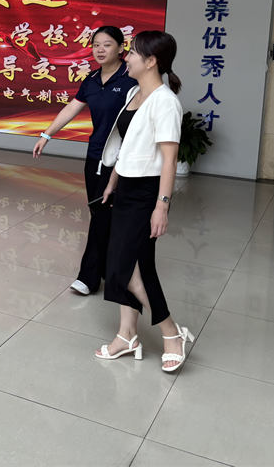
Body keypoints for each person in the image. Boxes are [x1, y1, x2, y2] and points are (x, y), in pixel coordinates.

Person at [95, 30, 193, 372]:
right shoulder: (135, 93)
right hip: (126, 187)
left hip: (147, 192)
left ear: (151, 61)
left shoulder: (165, 102)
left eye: (133, 52)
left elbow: (169, 159)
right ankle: (127, 335)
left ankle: (171, 333)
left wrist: (161, 205)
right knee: (130, 265)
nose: (127, 57)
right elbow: (130, 144)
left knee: (127, 268)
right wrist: (114, 180)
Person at [32, 26, 137, 296]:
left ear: (121, 48)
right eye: (96, 45)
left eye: (107, 44)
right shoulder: (91, 79)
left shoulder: (131, 79)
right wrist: (47, 134)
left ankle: (89, 277)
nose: (100, 50)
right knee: (100, 214)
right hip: (95, 156)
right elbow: (72, 107)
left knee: (103, 216)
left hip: (120, 160)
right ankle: (110, 270)